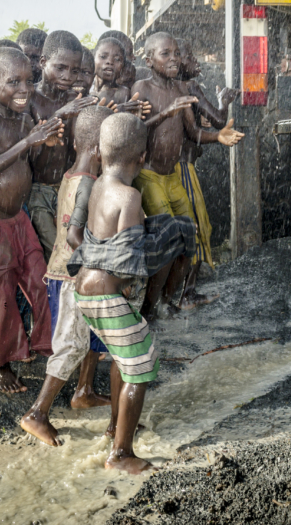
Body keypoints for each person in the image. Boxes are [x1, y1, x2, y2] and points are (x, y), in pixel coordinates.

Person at [70, 113, 196, 473]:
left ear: (101, 153)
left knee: (120, 358)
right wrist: (168, 239)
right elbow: (129, 259)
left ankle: (116, 424)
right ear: (141, 159)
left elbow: (95, 237)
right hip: (109, 293)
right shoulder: (129, 196)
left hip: (86, 289)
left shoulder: (94, 186)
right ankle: (121, 453)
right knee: (140, 368)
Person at [0, 47, 64, 393]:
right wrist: (29, 141)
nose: (24, 89)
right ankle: (1, 363)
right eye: (14, 82)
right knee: (3, 296)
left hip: (18, 217)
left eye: (29, 80)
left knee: (42, 280)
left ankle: (43, 344)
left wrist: (44, 142)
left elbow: (28, 157)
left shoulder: (21, 116)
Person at [131, 32, 244, 315]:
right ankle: (149, 307)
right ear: (149, 59)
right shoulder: (141, 88)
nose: (173, 60)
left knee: (189, 234)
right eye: (165, 54)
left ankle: (170, 300)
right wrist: (165, 113)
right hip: (149, 175)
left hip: (172, 177)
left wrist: (218, 136)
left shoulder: (182, 90)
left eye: (176, 54)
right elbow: (132, 132)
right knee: (166, 239)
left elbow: (192, 133)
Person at [20, 105, 113, 446]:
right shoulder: (89, 184)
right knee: (71, 344)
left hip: (63, 271)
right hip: (74, 277)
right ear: (99, 149)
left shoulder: (71, 174)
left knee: (89, 335)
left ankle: (84, 390)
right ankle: (38, 412)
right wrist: (103, 260)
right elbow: (75, 237)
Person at [175, 36, 238, 307]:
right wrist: (223, 101)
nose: (196, 60)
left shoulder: (170, 86)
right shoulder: (190, 87)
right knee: (198, 227)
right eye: (190, 55)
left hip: (173, 168)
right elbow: (219, 120)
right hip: (183, 169)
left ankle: (177, 290)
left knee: (185, 228)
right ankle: (187, 293)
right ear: (177, 59)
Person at [28, 31, 96, 261]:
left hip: (66, 185)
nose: (68, 76)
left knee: (69, 247)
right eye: (60, 68)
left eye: (74, 70)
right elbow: (27, 152)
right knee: (54, 249)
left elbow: (75, 149)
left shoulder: (73, 100)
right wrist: (59, 115)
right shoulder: (30, 99)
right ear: (43, 62)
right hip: (35, 190)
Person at [92, 36, 132, 105]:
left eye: (117, 59)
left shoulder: (122, 93)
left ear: (123, 65)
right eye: (103, 56)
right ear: (93, 58)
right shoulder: (83, 86)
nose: (110, 62)